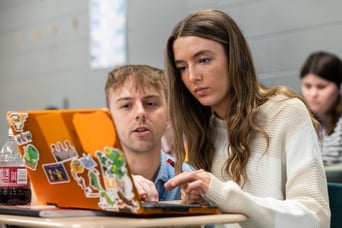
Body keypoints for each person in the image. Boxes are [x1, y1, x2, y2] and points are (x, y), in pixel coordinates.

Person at [163, 9, 330, 228]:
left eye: (204, 60)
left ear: (235, 58)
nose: (193, 76)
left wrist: (225, 196)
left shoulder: (287, 113)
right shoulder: (202, 130)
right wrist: (194, 210)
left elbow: (315, 218)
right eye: (182, 68)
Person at [105, 64, 191, 202]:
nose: (140, 113)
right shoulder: (89, 179)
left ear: (169, 116)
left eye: (150, 103)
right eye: (126, 105)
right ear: (108, 119)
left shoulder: (188, 179)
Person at [300, 51, 342, 165]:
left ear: (339, 88)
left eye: (321, 87)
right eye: (307, 86)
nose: (313, 94)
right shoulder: (298, 119)